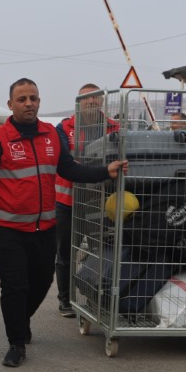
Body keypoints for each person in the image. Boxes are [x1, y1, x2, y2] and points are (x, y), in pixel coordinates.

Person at [0, 78, 126, 367]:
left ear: (39, 102)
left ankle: (20, 317)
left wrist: (105, 171)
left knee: (42, 281)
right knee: (14, 286)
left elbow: (69, 169)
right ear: (10, 104)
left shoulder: (51, 134)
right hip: (8, 230)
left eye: (33, 98)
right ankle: (16, 342)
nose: (29, 104)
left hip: (45, 228)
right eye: (22, 99)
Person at [53, 84, 119, 317]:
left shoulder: (114, 128)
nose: (92, 101)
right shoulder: (64, 128)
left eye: (96, 98)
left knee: (100, 251)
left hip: (99, 202)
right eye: (86, 98)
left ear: (102, 101)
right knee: (65, 252)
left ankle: (95, 298)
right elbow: (63, 160)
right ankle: (65, 299)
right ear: (78, 102)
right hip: (67, 202)